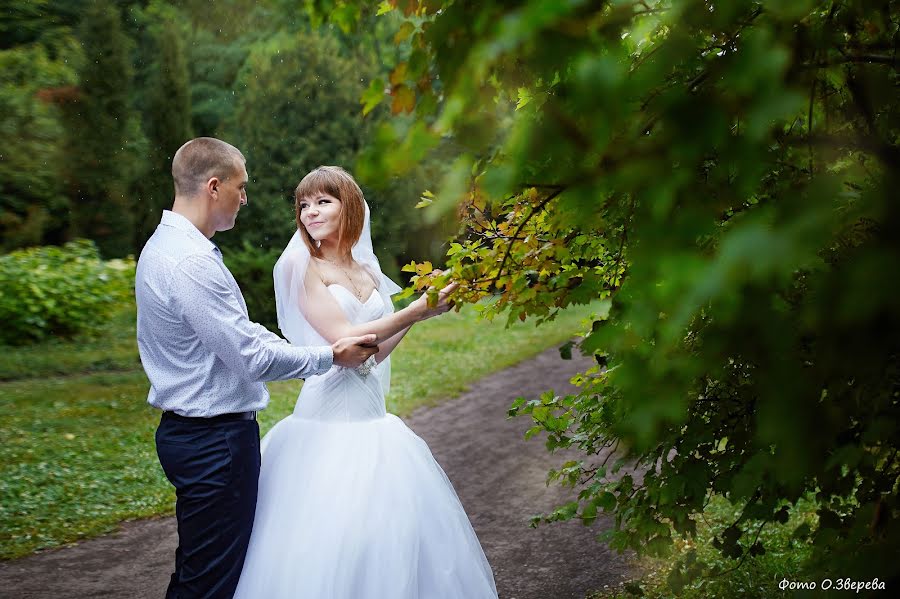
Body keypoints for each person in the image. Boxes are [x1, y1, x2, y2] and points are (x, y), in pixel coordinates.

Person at [233, 166, 499, 598]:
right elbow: (346, 345)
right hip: (326, 419)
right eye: (303, 204)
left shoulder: (368, 271)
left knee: (386, 534)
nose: (310, 213)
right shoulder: (302, 267)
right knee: (330, 536)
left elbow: (375, 355)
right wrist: (417, 310)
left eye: (323, 201)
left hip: (372, 413)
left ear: (350, 206)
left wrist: (420, 315)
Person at [135, 139, 379, 599]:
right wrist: (329, 356)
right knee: (212, 582)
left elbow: (241, 333)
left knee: (200, 567)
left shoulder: (170, 246)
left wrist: (296, 347)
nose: (244, 198)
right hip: (214, 441)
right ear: (213, 187)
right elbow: (252, 358)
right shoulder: (189, 262)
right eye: (240, 187)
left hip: (195, 433)